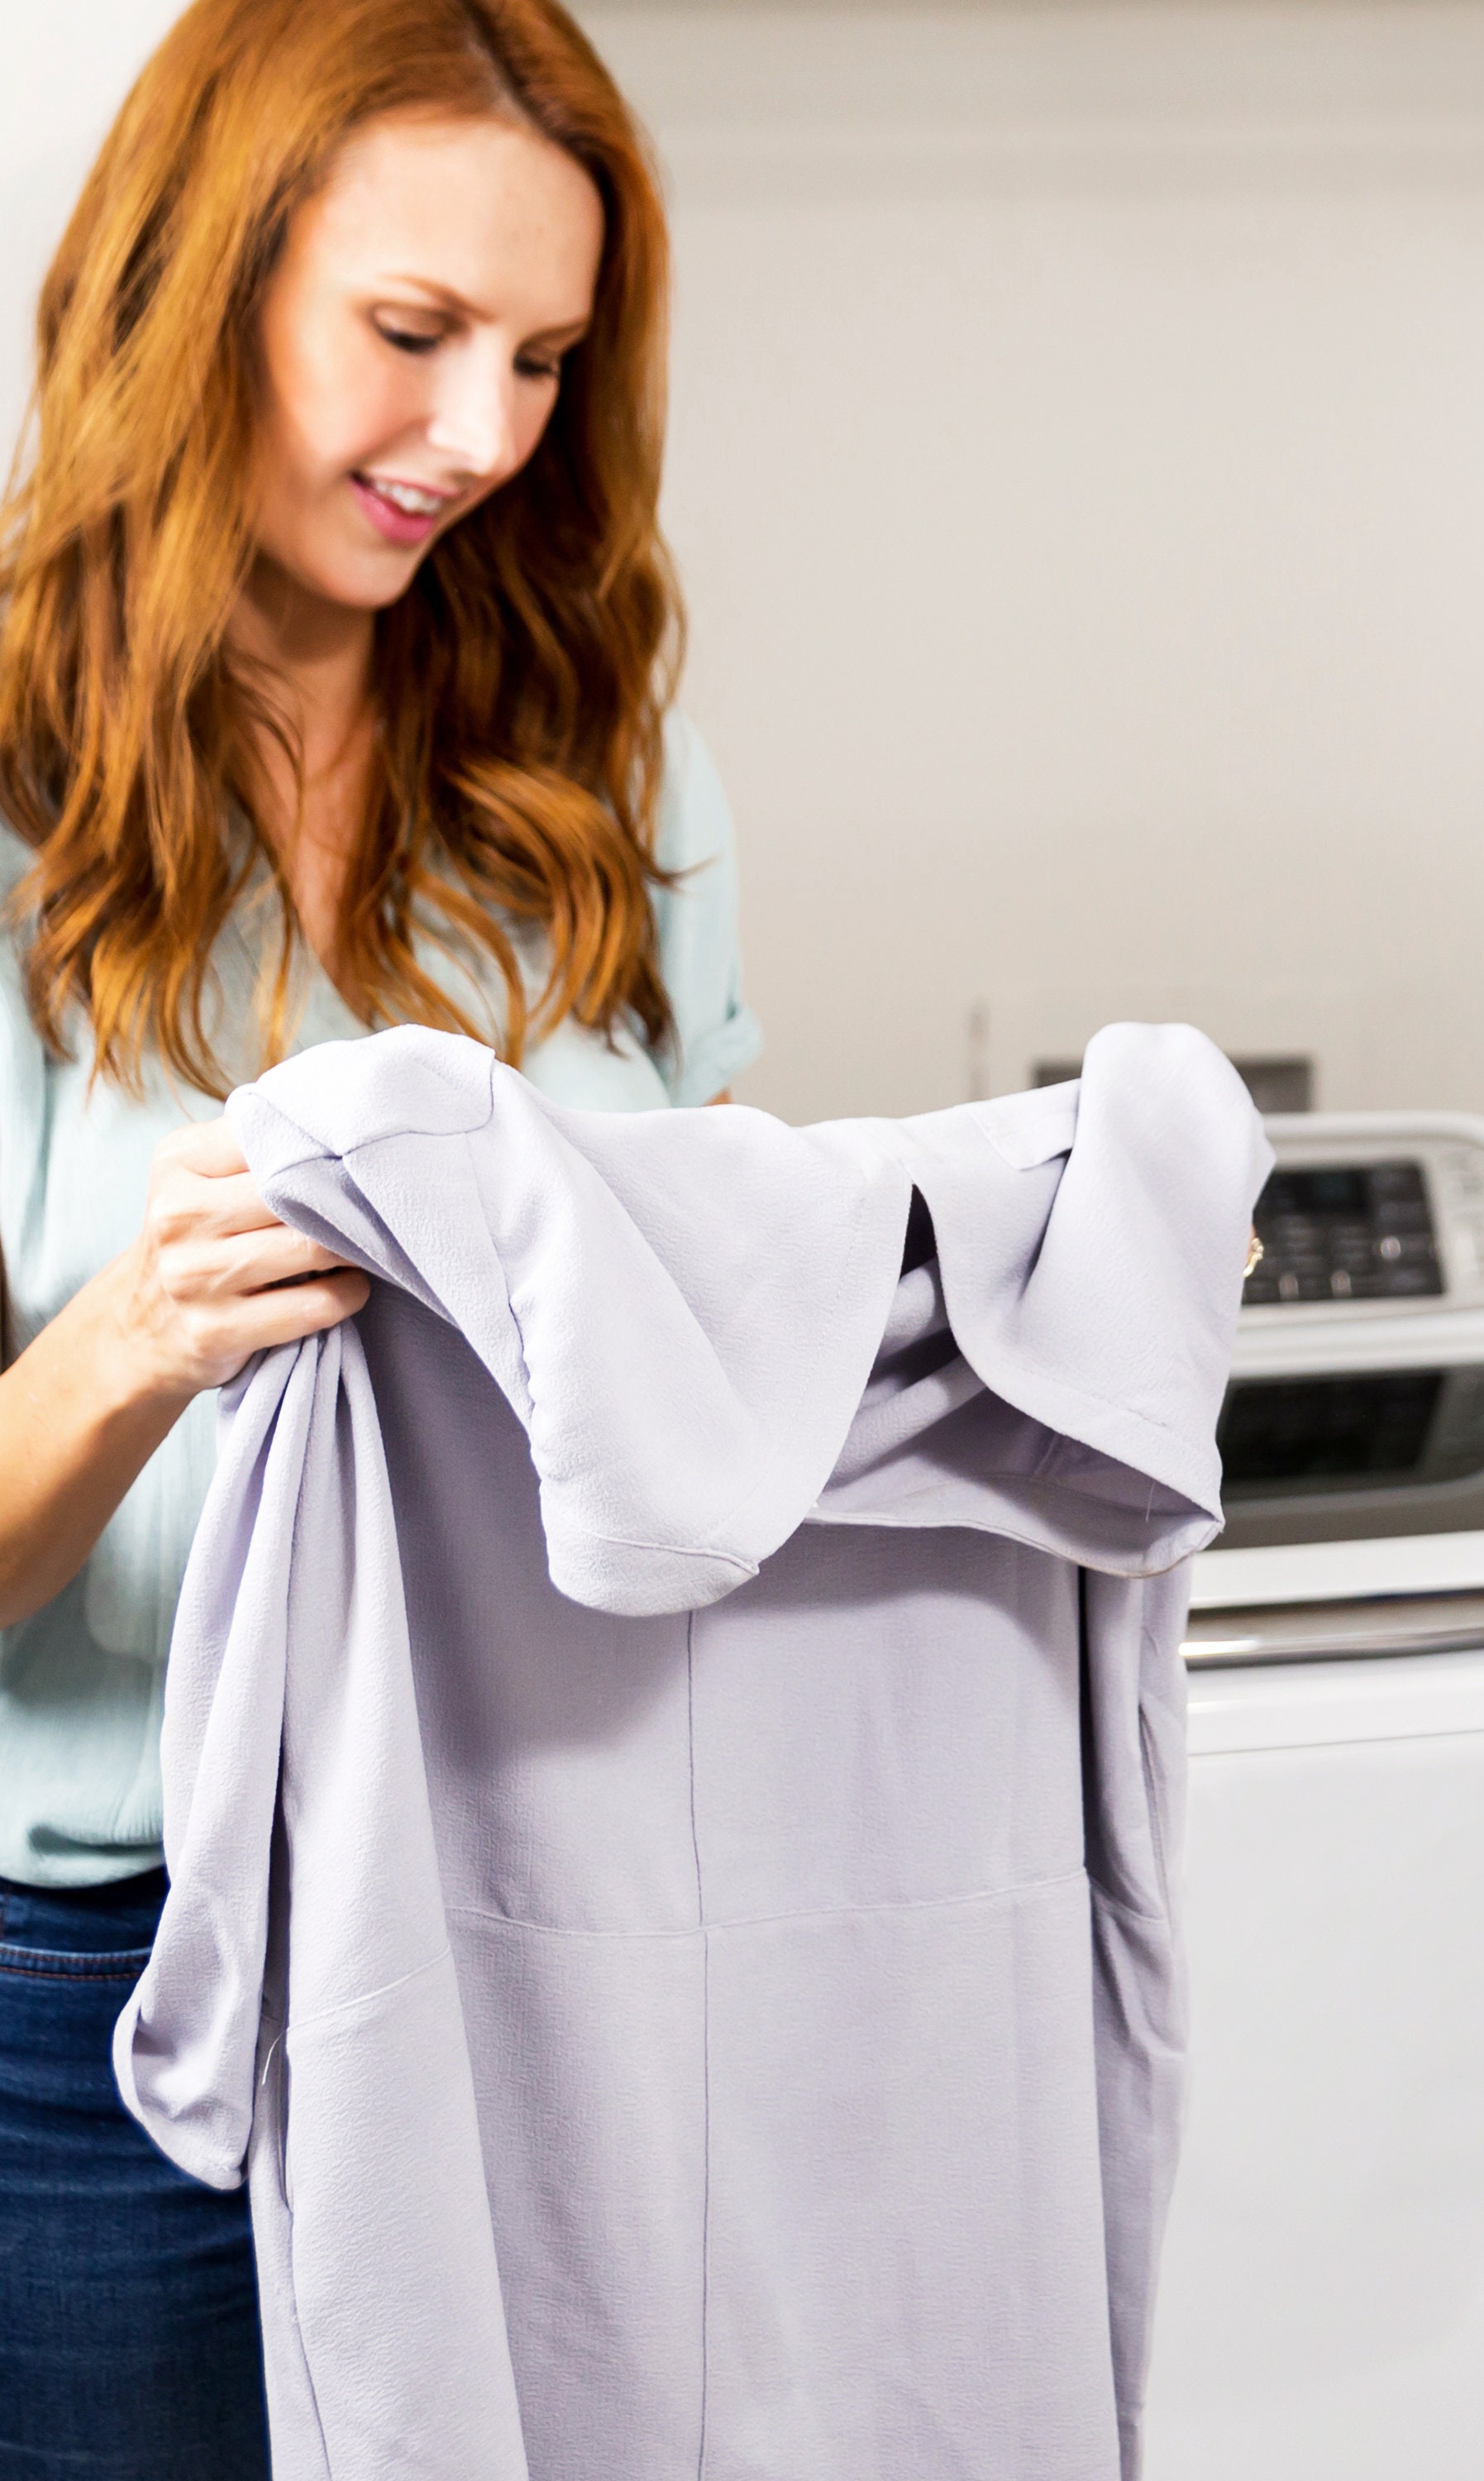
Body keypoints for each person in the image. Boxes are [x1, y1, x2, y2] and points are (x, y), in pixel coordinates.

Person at [0, 5, 760, 2471]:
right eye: (413, 336)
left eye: (544, 357)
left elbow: (721, 1305)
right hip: (100, 1998)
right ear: (195, 286)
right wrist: (132, 1342)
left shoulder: (598, 758)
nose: (482, 439)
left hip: (553, 1915)